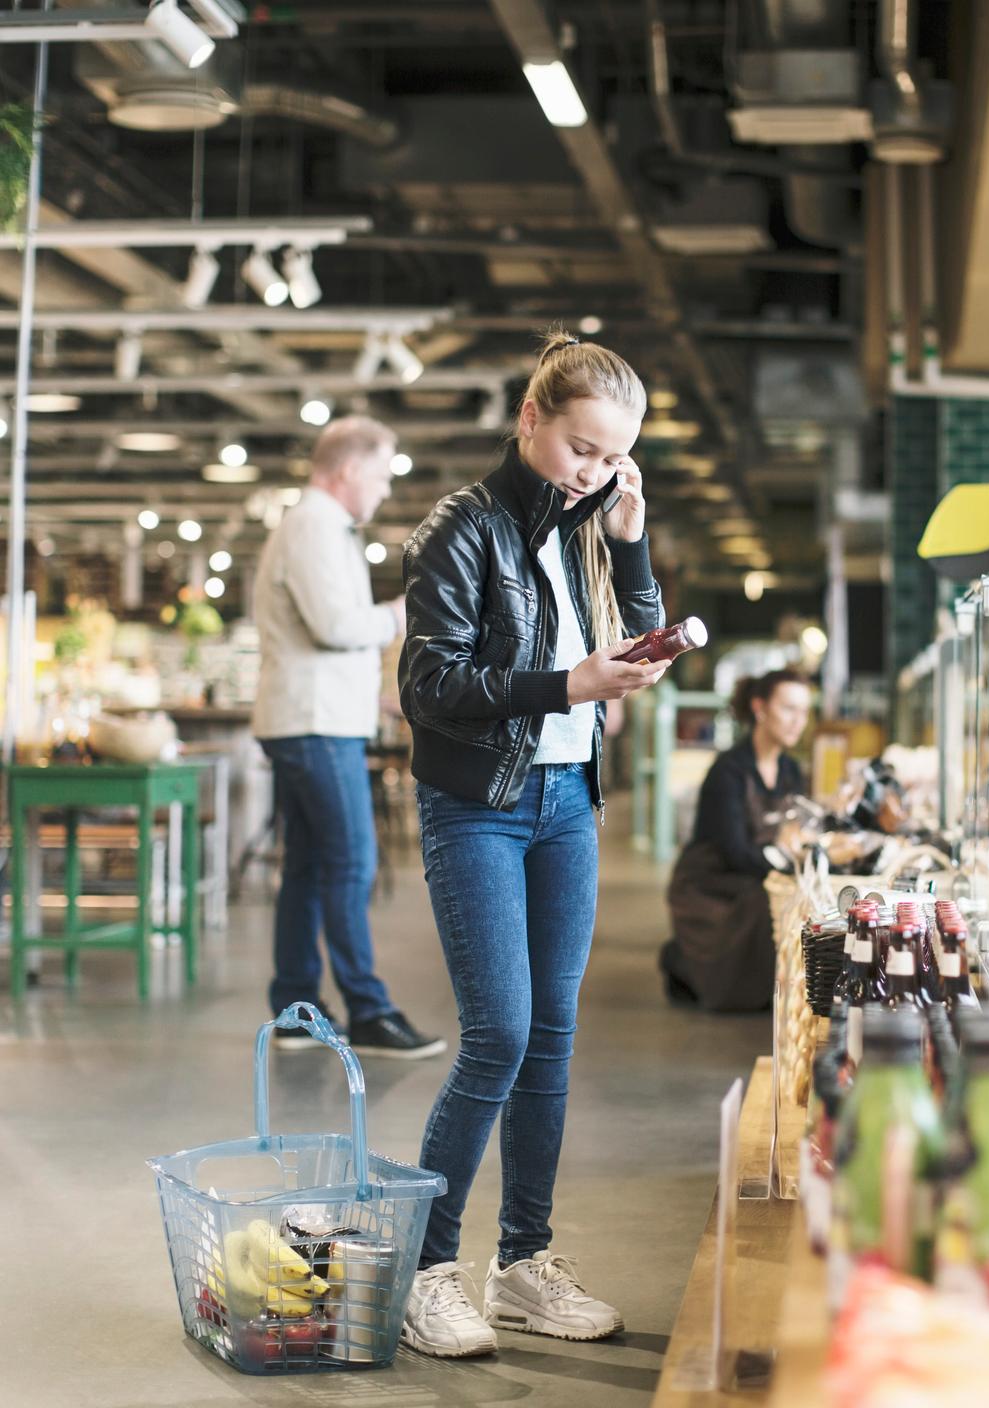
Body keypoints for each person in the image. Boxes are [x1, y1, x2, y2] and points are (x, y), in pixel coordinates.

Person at [396, 330, 669, 1358]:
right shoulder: (458, 532)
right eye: (580, 449)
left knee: (552, 1034)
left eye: (611, 457)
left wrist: (631, 539)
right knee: (499, 1036)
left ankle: (522, 1264)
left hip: (567, 801)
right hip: (478, 805)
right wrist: (570, 687)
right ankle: (427, 1272)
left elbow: (633, 641)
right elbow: (426, 686)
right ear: (530, 420)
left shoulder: (585, 525)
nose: (593, 470)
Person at [251, 416, 443, 1059]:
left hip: (313, 719)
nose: (386, 490)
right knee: (352, 863)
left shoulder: (318, 527)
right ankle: (368, 1010)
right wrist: (400, 611)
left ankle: (295, 1010)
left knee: (308, 868)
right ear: (350, 469)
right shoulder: (313, 525)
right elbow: (335, 625)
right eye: (383, 475)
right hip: (313, 725)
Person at [660, 670, 812, 1012]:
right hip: (714, 883)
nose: (797, 721)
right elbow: (733, 851)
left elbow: (795, 828)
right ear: (760, 708)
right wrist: (784, 861)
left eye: (803, 712)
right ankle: (683, 963)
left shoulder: (791, 770)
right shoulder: (728, 771)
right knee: (770, 902)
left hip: (757, 868)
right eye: (788, 708)